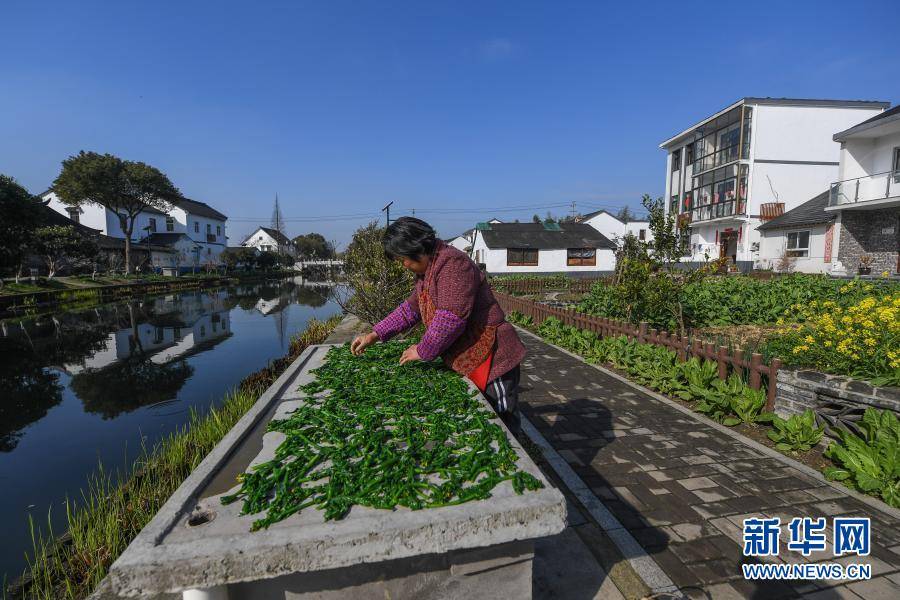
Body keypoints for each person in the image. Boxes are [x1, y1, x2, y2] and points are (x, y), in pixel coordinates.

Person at [351, 217, 526, 434]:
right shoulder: (427, 273)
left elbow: (450, 317)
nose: (403, 265)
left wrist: (423, 350)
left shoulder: (452, 264)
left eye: (403, 259)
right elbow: (409, 310)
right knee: (485, 420)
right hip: (471, 352)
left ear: (416, 248)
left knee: (502, 419)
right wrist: (374, 335)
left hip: (492, 355)